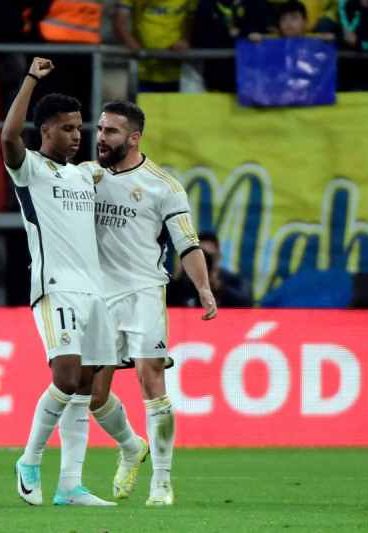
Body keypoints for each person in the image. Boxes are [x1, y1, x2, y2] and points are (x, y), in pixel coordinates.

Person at [67, 100, 217, 506]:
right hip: (97, 297)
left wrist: (203, 288)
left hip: (143, 292)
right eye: (99, 129)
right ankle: (132, 446)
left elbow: (187, 242)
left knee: (152, 381)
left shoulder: (163, 186)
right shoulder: (85, 177)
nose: (100, 138)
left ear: (133, 138)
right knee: (94, 397)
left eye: (110, 131)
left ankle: (162, 482)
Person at [1, 57, 117, 507]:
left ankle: (71, 485)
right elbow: (8, 136)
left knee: (84, 386)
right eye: (68, 128)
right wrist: (30, 78)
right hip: (55, 287)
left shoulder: (86, 173)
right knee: (66, 377)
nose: (77, 135)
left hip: (95, 291)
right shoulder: (28, 168)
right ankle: (29, 460)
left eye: (80, 128)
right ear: (46, 130)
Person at [114, 0, 197, 92]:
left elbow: (194, 20)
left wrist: (185, 40)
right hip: (142, 70)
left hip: (180, 72)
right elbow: (119, 24)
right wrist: (133, 45)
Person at [168, 231, 253, 307]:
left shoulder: (233, 281)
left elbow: (246, 304)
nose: (204, 262)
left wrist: (219, 287)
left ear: (219, 256)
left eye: (208, 257)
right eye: (199, 257)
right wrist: (178, 276)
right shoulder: (183, 282)